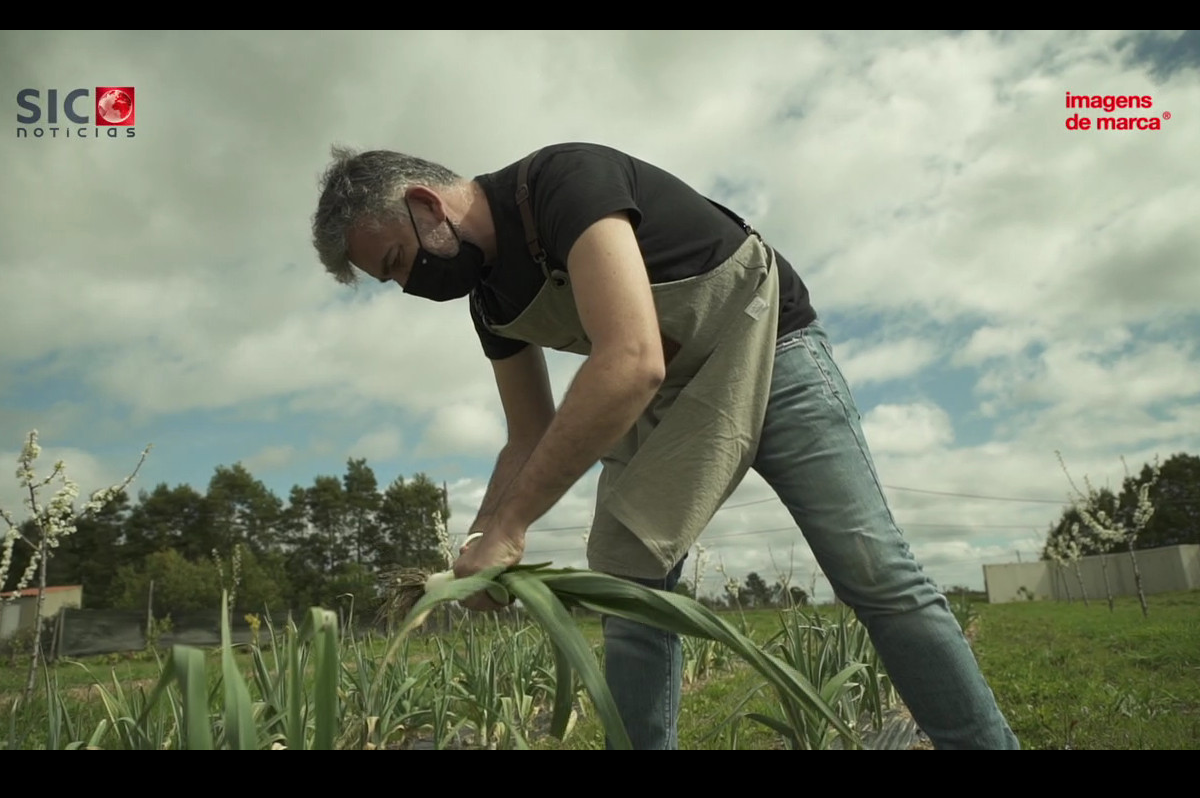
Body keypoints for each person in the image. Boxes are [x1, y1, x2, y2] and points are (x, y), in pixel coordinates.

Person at [310, 141, 1020, 750]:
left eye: (399, 261)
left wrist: (514, 524)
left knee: (874, 573)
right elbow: (526, 434)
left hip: (764, 346)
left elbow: (630, 358)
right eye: (391, 280)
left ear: (427, 206)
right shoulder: (492, 303)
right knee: (631, 593)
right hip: (663, 398)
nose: (408, 285)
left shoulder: (561, 185)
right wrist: (481, 541)